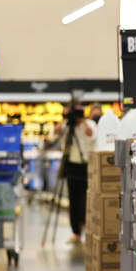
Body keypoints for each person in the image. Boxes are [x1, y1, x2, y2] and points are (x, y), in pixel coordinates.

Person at [51, 104, 96, 244]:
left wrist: (82, 121)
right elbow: (54, 133)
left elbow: (91, 134)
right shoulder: (67, 126)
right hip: (71, 166)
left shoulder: (89, 124)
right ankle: (75, 231)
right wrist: (65, 118)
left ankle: (86, 227)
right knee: (73, 200)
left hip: (86, 166)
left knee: (86, 200)